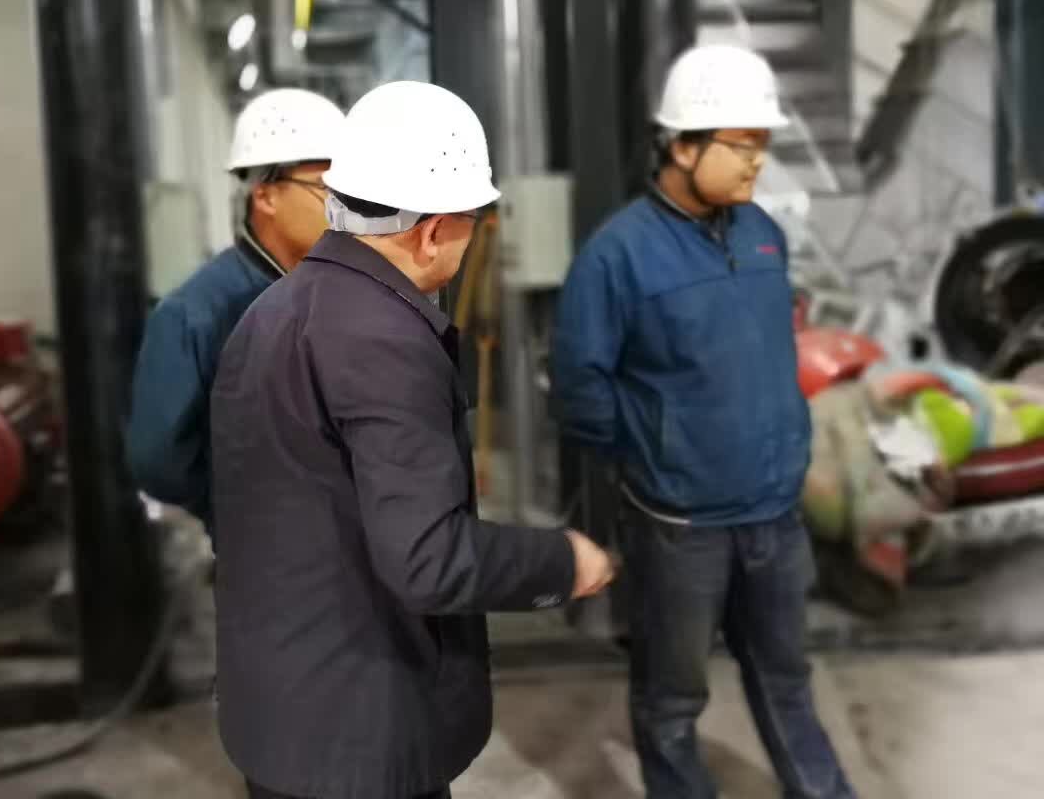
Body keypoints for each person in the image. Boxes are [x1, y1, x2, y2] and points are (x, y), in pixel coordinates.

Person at [210, 80, 615, 799]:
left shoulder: (269, 312)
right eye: (471, 221)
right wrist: (560, 561)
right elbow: (428, 560)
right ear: (433, 230)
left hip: (276, 710)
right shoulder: (386, 340)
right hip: (360, 732)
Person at [551, 44, 856, 799]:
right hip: (680, 528)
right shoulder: (616, 256)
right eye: (742, 145)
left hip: (774, 516)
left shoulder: (763, 235)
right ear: (682, 146)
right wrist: (660, 454)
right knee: (672, 699)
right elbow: (580, 388)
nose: (758, 162)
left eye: (763, 145)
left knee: (788, 681)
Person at [126, 88, 343, 540]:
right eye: (329, 190)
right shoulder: (196, 314)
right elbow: (158, 461)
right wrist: (243, 502)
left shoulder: (342, 289)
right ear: (266, 196)